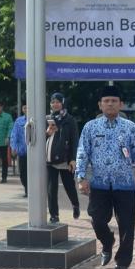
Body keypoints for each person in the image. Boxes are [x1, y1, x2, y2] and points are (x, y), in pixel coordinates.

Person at [76, 85, 135, 269]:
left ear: (121, 105)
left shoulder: (130, 128)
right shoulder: (90, 127)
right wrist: (81, 176)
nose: (110, 104)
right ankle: (107, 241)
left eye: (114, 101)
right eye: (106, 101)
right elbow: (83, 152)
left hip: (124, 184)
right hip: (99, 183)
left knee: (126, 224)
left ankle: (123, 261)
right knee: (97, 219)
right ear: (100, 105)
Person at [46, 93, 80, 222]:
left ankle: (75, 205)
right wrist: (47, 133)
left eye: (57, 102)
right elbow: (41, 140)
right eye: (53, 102)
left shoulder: (69, 119)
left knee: (69, 186)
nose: (55, 104)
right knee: (51, 189)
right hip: (49, 159)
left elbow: (74, 140)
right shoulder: (47, 118)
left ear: (62, 103)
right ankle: (54, 215)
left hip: (65, 159)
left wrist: (73, 159)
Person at [10, 103, 28, 197]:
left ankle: (31, 191)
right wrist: (13, 147)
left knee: (33, 173)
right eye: (25, 108)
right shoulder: (19, 120)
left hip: (34, 153)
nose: (26, 109)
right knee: (23, 173)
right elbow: (14, 135)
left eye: (28, 107)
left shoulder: (37, 119)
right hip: (22, 152)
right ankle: (26, 189)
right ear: (22, 109)